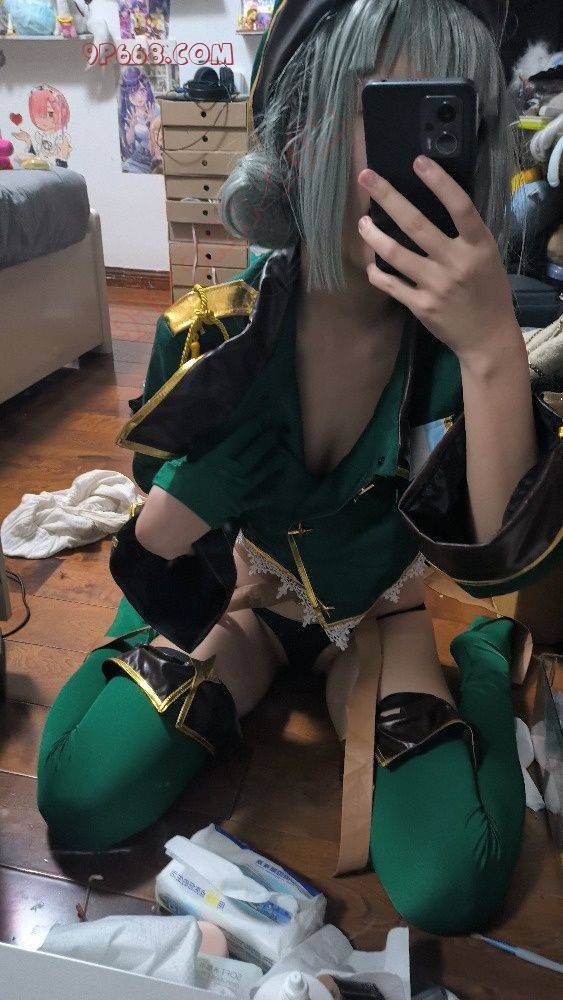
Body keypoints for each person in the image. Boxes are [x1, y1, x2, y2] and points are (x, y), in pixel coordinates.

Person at [37, 0, 563, 935]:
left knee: (448, 883)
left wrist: (490, 348)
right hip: (243, 599)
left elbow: (501, 563)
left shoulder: (455, 352)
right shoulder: (208, 337)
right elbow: (159, 535)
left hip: (383, 622)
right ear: (299, 127)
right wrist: (177, 532)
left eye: (450, 116)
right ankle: (152, 639)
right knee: (83, 791)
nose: (424, 159)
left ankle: (482, 662)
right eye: (387, 109)